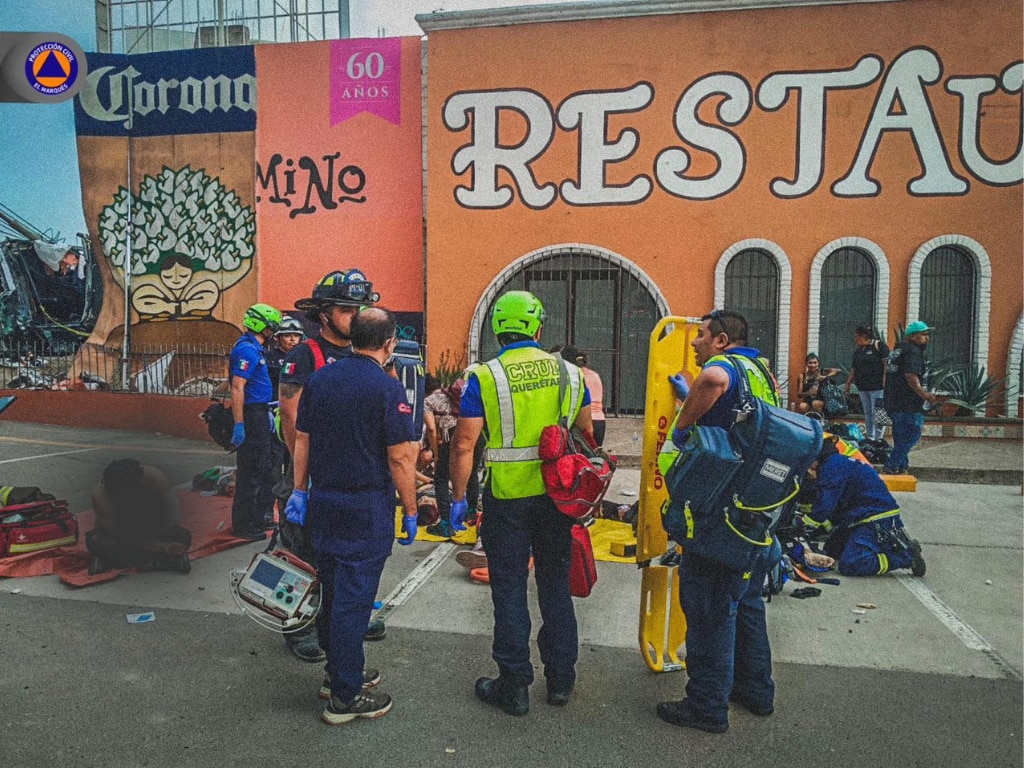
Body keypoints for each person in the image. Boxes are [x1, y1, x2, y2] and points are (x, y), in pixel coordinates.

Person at [448, 290, 593, 717]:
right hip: (557, 500)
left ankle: (513, 685)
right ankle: (561, 679)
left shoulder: (485, 376)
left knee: (509, 590)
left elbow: (463, 444)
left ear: (497, 328)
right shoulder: (570, 373)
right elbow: (586, 435)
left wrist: (460, 499)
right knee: (554, 586)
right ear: (538, 328)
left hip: (506, 500)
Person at [284, 307, 419, 725]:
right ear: (389, 343)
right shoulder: (386, 388)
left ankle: (337, 673)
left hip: (324, 503)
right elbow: (399, 458)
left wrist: (299, 491)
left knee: (333, 590)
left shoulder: (321, 378)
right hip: (365, 507)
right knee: (353, 603)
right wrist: (412, 509)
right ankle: (344, 697)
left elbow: (301, 438)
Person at [657, 309, 780, 734]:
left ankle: (706, 706)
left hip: (720, 514)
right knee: (746, 602)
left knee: (709, 608)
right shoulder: (762, 372)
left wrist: (683, 422)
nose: (694, 343)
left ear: (723, 340)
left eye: (702, 336)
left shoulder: (723, 366)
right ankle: (755, 690)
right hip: (758, 511)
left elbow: (713, 382)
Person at [276, 269, 388, 661]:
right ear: (324, 314)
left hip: (353, 479)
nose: (356, 315)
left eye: (361, 308)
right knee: (303, 554)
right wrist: (300, 484)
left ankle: (347, 619)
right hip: (312, 477)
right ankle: (299, 627)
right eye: (346, 309)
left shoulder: (368, 354)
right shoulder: (304, 356)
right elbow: (293, 422)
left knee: (348, 558)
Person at [798, 436, 926, 577]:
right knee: (831, 550)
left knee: (851, 564)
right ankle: (883, 545)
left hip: (875, 519)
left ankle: (904, 557)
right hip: (859, 517)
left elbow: (824, 506)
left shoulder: (832, 468)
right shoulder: (836, 463)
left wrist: (803, 525)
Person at [229, 303, 282, 540]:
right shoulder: (247, 351)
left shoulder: (254, 349)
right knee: (250, 471)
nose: (272, 333)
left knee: (260, 467)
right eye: (271, 328)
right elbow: (237, 387)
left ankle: (254, 519)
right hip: (252, 415)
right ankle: (244, 526)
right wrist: (239, 424)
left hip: (260, 412)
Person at [86, 459, 191, 574]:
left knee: (182, 536)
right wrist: (162, 547)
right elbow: (123, 535)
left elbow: (173, 519)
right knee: (96, 542)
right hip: (124, 537)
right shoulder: (100, 495)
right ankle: (162, 561)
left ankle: (114, 562)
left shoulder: (155, 478)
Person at [882, 321, 939, 474]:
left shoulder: (897, 350)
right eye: (923, 335)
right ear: (913, 336)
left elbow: (887, 374)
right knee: (912, 435)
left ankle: (902, 466)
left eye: (927, 335)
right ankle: (891, 464)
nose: (927, 338)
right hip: (909, 403)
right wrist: (924, 395)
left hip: (893, 401)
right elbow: (910, 375)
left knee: (900, 437)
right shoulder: (913, 352)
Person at [844, 326, 889, 442]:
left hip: (877, 387)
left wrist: (885, 378)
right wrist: (848, 383)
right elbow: (853, 369)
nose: (855, 339)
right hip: (863, 387)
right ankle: (870, 437)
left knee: (878, 413)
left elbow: (886, 364)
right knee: (868, 413)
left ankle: (879, 438)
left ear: (864, 336)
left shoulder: (879, 346)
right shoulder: (858, 352)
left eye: (856, 336)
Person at [561, 346, 606, 447]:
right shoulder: (594, 375)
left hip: (584, 422)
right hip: (600, 421)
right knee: (595, 457)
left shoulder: (573, 376)